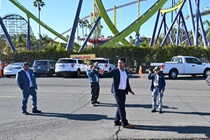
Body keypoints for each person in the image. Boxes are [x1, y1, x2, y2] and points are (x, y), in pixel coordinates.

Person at [99, 58, 135, 128]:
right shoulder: (115, 70)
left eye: (121, 63)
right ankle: (125, 123)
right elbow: (108, 74)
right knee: (122, 108)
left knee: (120, 106)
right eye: (118, 63)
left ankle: (116, 121)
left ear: (124, 63)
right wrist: (103, 73)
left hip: (123, 91)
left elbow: (126, 82)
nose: (119, 64)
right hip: (117, 92)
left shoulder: (125, 71)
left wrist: (130, 90)